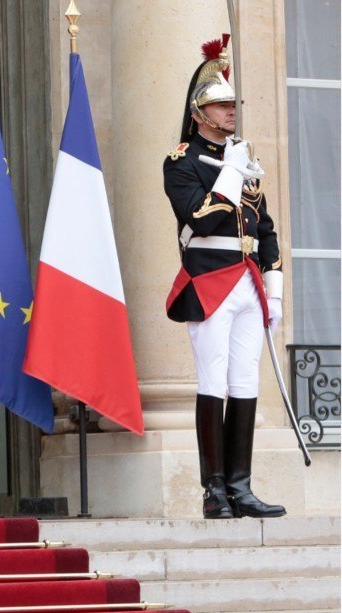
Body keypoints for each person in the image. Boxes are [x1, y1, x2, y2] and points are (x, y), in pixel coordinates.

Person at [163, 37, 285, 519]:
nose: (231, 110)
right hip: (209, 280)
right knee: (213, 380)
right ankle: (213, 490)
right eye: (220, 104)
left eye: (232, 103)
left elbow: (267, 232)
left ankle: (241, 486)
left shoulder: (246, 165)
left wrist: (274, 291)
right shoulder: (182, 162)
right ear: (199, 113)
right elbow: (201, 218)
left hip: (248, 285)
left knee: (245, 382)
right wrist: (230, 174)